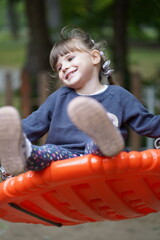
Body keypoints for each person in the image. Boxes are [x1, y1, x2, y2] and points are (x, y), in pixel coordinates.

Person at [0, 26, 160, 179]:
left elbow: (148, 123)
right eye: (59, 67)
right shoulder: (60, 97)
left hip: (103, 161)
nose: (64, 68)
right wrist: (10, 136)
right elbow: (32, 124)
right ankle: (21, 151)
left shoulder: (118, 95)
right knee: (46, 151)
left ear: (94, 57)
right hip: (63, 160)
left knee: (97, 147)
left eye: (70, 58)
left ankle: (105, 134)